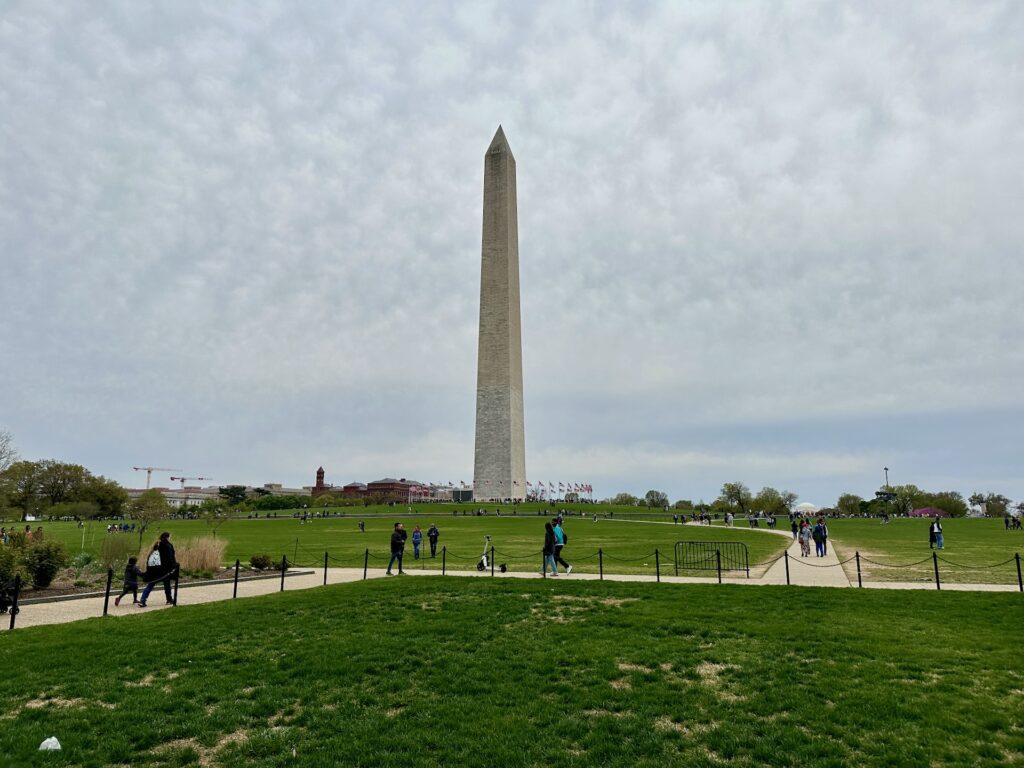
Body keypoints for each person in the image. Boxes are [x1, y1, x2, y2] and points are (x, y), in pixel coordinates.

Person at [139, 532, 177, 608]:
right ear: (167, 537)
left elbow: (150, 557)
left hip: (155, 569)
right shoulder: (168, 545)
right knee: (167, 585)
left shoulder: (157, 545)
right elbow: (170, 557)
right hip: (165, 569)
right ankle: (169, 599)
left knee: (151, 584)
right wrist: (174, 566)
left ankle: (143, 599)